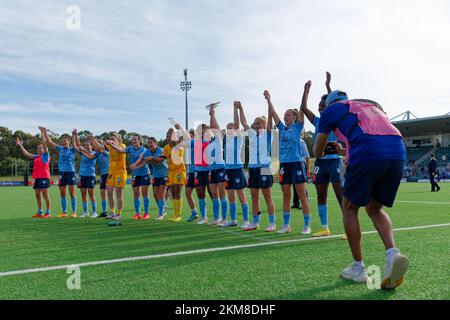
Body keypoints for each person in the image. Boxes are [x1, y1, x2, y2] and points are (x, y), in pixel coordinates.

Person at [315, 90, 409, 290]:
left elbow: (317, 150)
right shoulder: (365, 106)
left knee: (349, 207)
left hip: (368, 150)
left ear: (330, 104)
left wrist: (323, 151)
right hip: (397, 149)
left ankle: (358, 268)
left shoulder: (331, 111)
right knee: (375, 208)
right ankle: (393, 254)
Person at [301, 75, 344, 237]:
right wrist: (306, 91)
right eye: (318, 107)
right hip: (320, 162)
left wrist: (328, 86)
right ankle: (325, 227)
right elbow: (304, 109)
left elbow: (336, 102)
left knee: (341, 195)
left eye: (323, 106)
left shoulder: (335, 119)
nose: (320, 109)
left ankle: (349, 226)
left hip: (335, 161)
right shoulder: (318, 121)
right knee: (321, 195)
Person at [265, 90, 311, 234]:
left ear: (295, 117)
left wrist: (305, 91)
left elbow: (302, 108)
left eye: (288, 114)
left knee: (302, 196)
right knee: (286, 195)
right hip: (285, 165)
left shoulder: (297, 128)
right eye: (284, 115)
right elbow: (272, 113)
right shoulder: (282, 129)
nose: (285, 117)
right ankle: (286, 225)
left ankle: (307, 225)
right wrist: (268, 99)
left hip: (297, 164)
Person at [235, 101, 276, 232]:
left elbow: (270, 116)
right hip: (252, 168)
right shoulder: (252, 134)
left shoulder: (268, 134)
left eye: (259, 123)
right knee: (254, 196)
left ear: (265, 125)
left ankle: (272, 223)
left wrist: (269, 100)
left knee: (267, 196)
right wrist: (240, 108)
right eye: (255, 123)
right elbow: (243, 122)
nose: (256, 125)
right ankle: (255, 222)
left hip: (264, 167)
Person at [215, 102, 250, 228]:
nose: (229, 129)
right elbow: (216, 128)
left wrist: (236, 109)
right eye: (227, 128)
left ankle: (246, 220)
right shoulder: (226, 140)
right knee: (231, 196)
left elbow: (237, 123)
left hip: (237, 169)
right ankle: (233, 220)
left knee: (241, 195)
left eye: (232, 127)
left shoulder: (238, 138)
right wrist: (212, 113)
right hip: (227, 170)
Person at [40, 127, 78, 218]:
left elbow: (75, 144)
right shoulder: (60, 149)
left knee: (72, 192)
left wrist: (73, 135)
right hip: (62, 173)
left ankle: (74, 212)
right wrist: (45, 132)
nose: (64, 143)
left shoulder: (72, 149)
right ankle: (64, 212)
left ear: (69, 142)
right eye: (62, 142)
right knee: (62, 192)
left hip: (71, 172)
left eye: (65, 141)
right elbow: (49, 142)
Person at [16, 137, 51, 218]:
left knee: (45, 194)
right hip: (37, 178)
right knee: (37, 195)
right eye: (38, 148)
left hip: (44, 177)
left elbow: (46, 147)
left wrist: (44, 141)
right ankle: (40, 212)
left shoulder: (46, 155)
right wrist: (21, 145)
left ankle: (48, 212)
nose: (39, 149)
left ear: (44, 149)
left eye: (40, 148)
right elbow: (26, 154)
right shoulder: (36, 156)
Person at [207, 105, 230, 226]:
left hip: (221, 167)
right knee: (214, 194)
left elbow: (213, 126)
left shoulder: (219, 138)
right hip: (212, 170)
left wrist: (212, 114)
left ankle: (224, 218)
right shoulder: (210, 142)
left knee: (222, 193)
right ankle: (217, 217)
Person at [122, 134, 151, 220]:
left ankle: (146, 213)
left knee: (144, 193)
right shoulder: (130, 149)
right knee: (136, 193)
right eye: (132, 139)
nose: (133, 141)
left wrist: (136, 166)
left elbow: (144, 162)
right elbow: (121, 150)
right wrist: (112, 144)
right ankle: (137, 213)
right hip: (135, 174)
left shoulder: (144, 150)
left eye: (135, 139)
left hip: (144, 173)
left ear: (139, 141)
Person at [73, 129, 100, 218]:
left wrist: (82, 149)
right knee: (83, 193)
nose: (86, 146)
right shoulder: (83, 153)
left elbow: (89, 155)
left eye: (88, 145)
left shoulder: (95, 153)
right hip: (82, 176)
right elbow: (76, 145)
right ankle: (85, 212)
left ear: (91, 146)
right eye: (85, 145)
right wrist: (75, 135)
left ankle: (95, 212)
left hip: (90, 176)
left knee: (91, 194)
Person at [162, 128, 186, 222]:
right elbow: (162, 158)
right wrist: (152, 158)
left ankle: (178, 215)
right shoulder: (166, 148)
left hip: (179, 171)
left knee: (177, 192)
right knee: (173, 193)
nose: (168, 137)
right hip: (170, 172)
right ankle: (175, 214)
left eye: (170, 135)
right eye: (167, 136)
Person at [143, 137, 168, 220]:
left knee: (161, 194)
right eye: (148, 143)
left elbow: (161, 159)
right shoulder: (147, 152)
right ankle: (163, 209)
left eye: (151, 143)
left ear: (155, 144)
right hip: (156, 175)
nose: (149, 144)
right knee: (155, 195)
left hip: (165, 174)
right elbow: (145, 160)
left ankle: (161, 213)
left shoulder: (160, 150)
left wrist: (152, 158)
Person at [104, 133, 128, 221]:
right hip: (111, 172)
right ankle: (112, 212)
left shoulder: (122, 145)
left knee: (118, 193)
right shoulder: (110, 147)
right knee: (109, 192)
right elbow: (99, 147)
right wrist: (92, 139)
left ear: (118, 139)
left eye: (113, 138)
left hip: (120, 172)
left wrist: (111, 143)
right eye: (110, 138)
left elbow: (121, 151)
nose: (111, 140)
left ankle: (119, 213)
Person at [89, 136, 110, 218]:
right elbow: (91, 155)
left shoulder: (106, 152)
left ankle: (113, 211)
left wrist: (92, 139)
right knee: (102, 193)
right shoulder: (98, 153)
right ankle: (104, 211)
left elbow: (98, 149)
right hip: (103, 174)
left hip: (109, 174)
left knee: (110, 193)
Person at [292, 138, 310, 210]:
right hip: (292, 164)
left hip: (301, 164)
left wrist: (307, 168)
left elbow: (307, 156)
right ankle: (296, 203)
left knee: (301, 185)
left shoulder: (301, 142)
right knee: (294, 184)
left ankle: (306, 202)